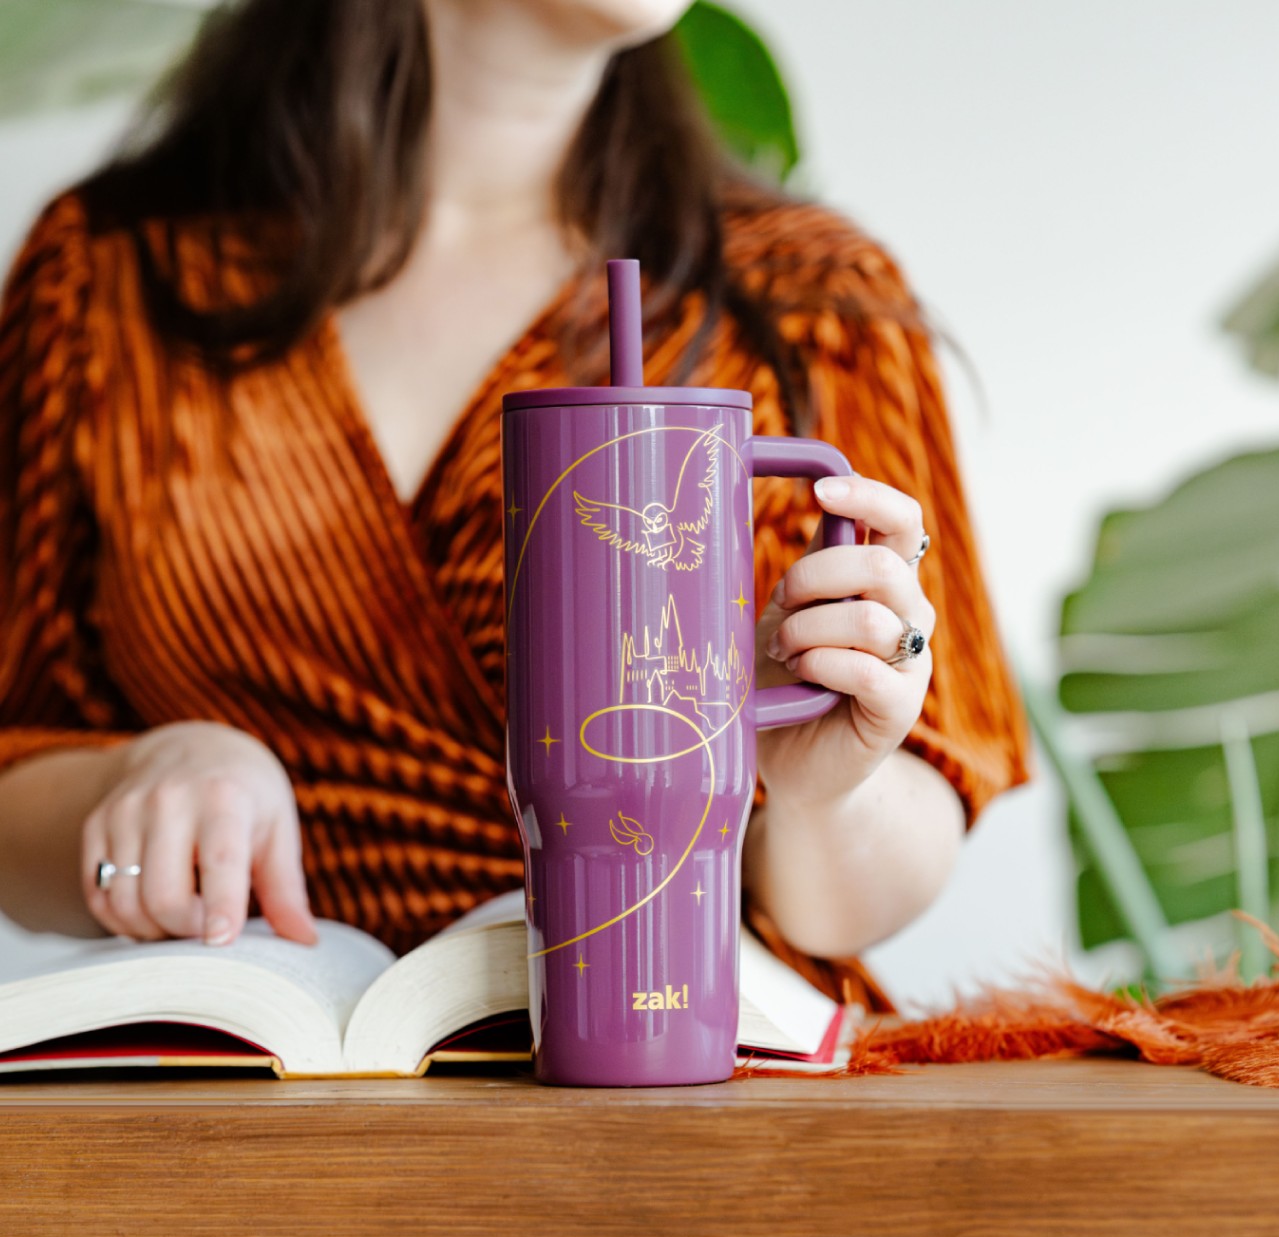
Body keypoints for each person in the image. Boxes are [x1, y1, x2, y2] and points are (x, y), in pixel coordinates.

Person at [0, 0, 1030, 1013]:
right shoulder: (101, 276)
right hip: (245, 1112)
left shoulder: (809, 298)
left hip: (677, 1085)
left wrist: (822, 792)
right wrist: (136, 779)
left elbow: (895, 839)